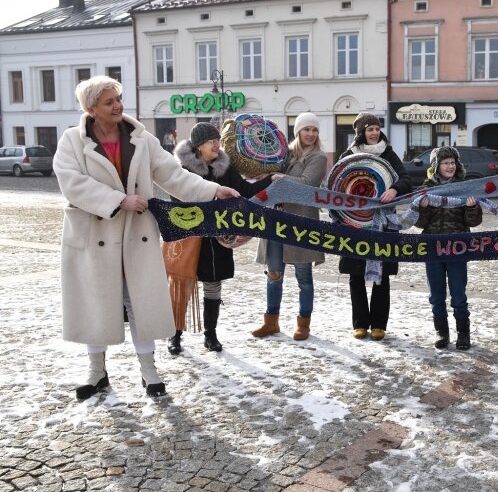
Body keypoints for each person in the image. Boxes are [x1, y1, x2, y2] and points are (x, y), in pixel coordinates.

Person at [53, 76, 239, 400]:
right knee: (96, 304)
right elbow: (71, 182)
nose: (118, 106)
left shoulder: (141, 138)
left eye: (118, 98)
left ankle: (149, 370)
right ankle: (97, 372)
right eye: (109, 101)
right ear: (91, 107)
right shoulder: (72, 141)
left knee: (141, 303)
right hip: (94, 235)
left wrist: (212, 189)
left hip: (135, 235)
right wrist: (117, 200)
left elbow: (174, 175)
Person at [167, 122, 271, 355]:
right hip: (189, 237)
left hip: (217, 239)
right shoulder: (182, 169)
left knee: (213, 286)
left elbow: (246, 190)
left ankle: (210, 334)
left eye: (217, 140)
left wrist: (272, 179)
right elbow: (177, 200)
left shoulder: (225, 167)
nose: (217, 144)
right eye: (211, 141)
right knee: (182, 285)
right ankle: (175, 334)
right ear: (198, 146)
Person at [251, 112, 327, 341]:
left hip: (301, 223)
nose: (311, 134)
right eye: (307, 129)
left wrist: (278, 177)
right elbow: (264, 173)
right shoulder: (286, 155)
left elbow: (306, 184)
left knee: (304, 277)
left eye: (314, 130)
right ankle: (271, 322)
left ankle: (303, 324)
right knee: (273, 275)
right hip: (275, 222)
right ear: (298, 132)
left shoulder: (319, 157)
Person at [338, 112, 412, 340]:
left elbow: (406, 179)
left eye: (376, 129)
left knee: (383, 274)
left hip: (384, 222)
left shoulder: (388, 154)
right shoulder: (349, 155)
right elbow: (335, 182)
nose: (374, 132)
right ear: (361, 132)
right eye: (369, 129)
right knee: (355, 273)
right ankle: (360, 323)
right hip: (353, 222)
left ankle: (379, 324)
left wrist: (395, 189)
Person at [415, 147, 482, 350]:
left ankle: (463, 333)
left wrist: (471, 207)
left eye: (453, 162)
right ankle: (441, 332)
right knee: (436, 295)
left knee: (458, 294)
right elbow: (418, 223)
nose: (450, 166)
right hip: (433, 249)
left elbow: (475, 221)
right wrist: (424, 208)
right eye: (445, 163)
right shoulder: (426, 189)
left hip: (457, 249)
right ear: (436, 166)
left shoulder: (464, 187)